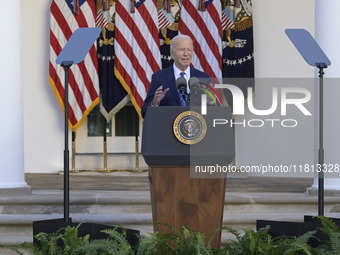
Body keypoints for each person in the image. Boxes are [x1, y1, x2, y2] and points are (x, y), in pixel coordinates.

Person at [141, 34, 210, 118]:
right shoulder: (159, 77)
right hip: (168, 129)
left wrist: (210, 101)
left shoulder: (203, 78)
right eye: (182, 50)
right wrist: (154, 103)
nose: (186, 54)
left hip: (196, 128)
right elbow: (144, 113)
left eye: (189, 50)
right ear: (172, 53)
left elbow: (213, 113)